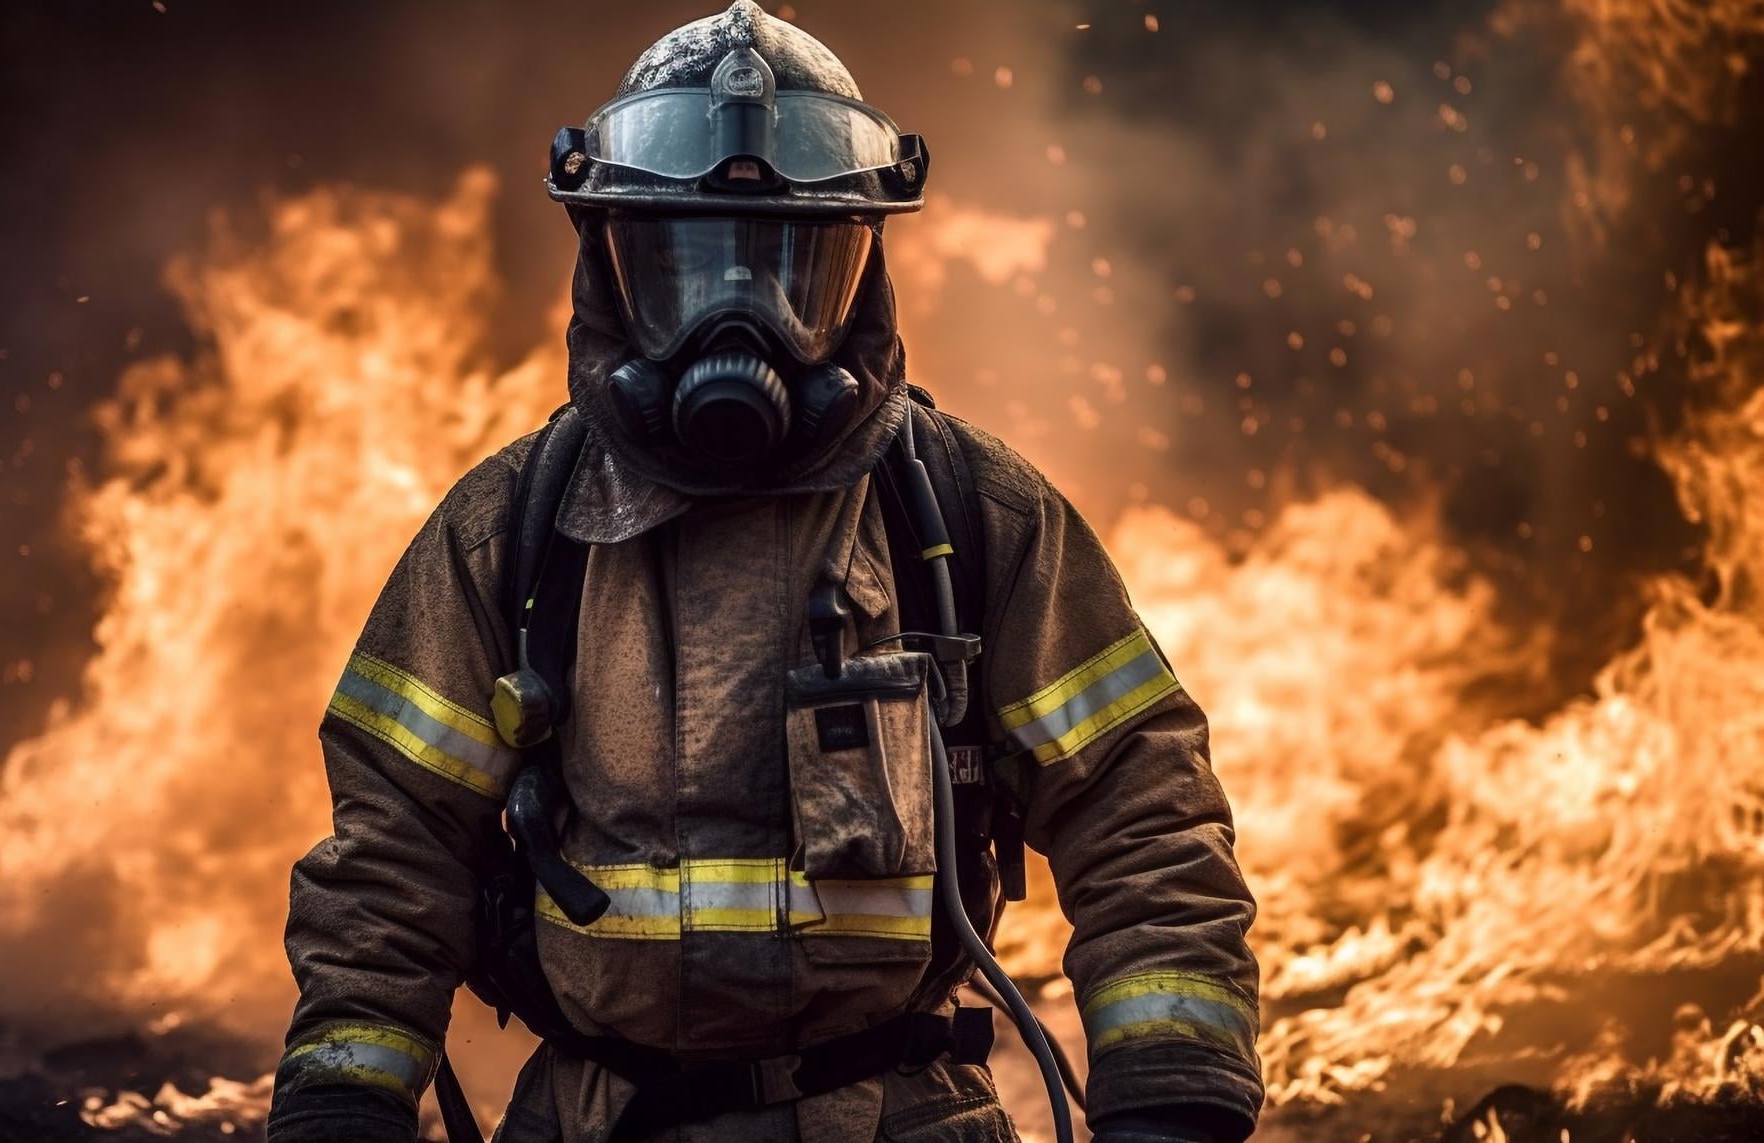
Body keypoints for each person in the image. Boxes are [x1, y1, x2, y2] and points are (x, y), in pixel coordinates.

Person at [265, 4, 1262, 1141]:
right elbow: (393, 850)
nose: (738, 323)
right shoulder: (510, 533)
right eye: (687, 263)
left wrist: (1169, 1096)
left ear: (862, 271)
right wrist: (342, 1097)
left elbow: (1140, 809)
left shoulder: (969, 515)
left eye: (790, 269)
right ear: (607, 267)